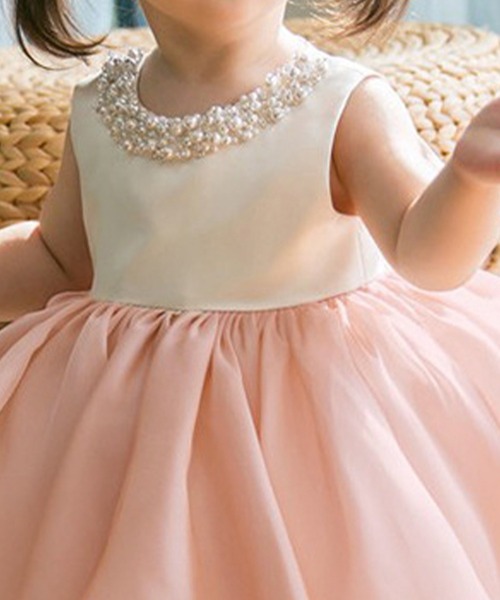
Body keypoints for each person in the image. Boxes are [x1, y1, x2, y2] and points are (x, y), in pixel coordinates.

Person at [1, 0, 499, 598]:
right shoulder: (98, 109)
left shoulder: (342, 102)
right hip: (137, 437)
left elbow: (423, 253)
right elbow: (62, 260)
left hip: (313, 431)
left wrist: (471, 179)